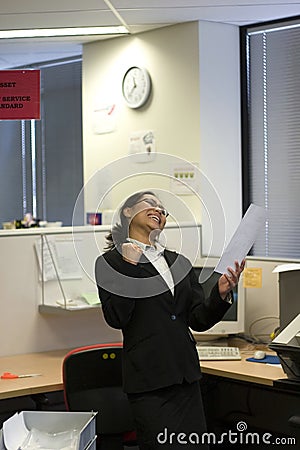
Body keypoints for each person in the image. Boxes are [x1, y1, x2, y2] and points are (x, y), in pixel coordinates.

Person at [95, 190, 245, 449]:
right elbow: (117, 317)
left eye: (163, 210)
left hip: (186, 379)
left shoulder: (179, 262)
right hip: (149, 382)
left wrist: (220, 295)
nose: (159, 211)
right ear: (128, 211)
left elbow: (197, 319)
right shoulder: (110, 263)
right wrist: (130, 267)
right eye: (150, 204)